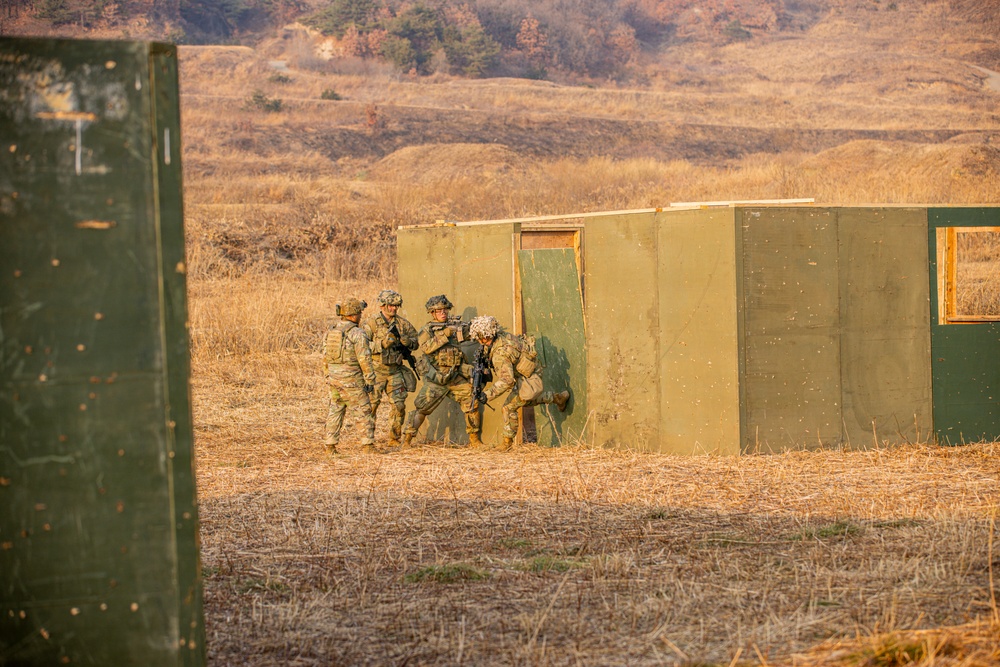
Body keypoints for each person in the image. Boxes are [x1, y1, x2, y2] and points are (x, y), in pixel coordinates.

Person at [469, 315, 569, 450]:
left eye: (479, 338)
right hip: (528, 371)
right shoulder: (501, 336)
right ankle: (557, 398)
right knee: (523, 401)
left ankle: (506, 444)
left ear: (484, 337)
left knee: (509, 407)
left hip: (529, 377)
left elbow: (507, 380)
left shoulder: (500, 353)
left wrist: (487, 395)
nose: (479, 341)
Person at [400, 295, 483, 448]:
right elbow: (425, 347)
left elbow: (469, 335)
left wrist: (476, 328)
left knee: (471, 402)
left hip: (455, 376)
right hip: (436, 378)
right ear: (432, 313)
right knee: (422, 408)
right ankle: (406, 440)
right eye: (439, 311)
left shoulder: (454, 326)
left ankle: (474, 440)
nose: (443, 313)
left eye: (445, 310)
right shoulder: (427, 330)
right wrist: (445, 334)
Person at [361, 289, 419, 448]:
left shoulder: (403, 324)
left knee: (399, 405)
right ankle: (368, 440)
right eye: (391, 306)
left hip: (395, 371)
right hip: (376, 371)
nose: (394, 309)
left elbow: (416, 342)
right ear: (383, 305)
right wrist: (381, 345)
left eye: (396, 306)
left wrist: (408, 342)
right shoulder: (371, 323)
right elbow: (362, 346)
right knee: (371, 405)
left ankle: (394, 437)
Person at [322, 298, 377, 454]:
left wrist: (328, 376)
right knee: (363, 410)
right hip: (352, 380)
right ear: (354, 315)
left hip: (334, 380)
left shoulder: (331, 332)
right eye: (359, 313)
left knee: (335, 410)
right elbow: (364, 359)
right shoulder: (357, 333)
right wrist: (370, 379)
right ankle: (367, 446)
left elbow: (325, 358)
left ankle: (330, 446)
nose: (360, 316)